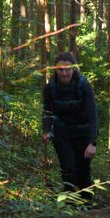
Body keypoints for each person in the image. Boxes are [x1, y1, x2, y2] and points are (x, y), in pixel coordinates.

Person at [42, 51, 98, 200]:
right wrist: (46, 130)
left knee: (83, 171)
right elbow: (47, 112)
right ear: (55, 69)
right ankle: (71, 208)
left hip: (83, 133)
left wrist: (92, 143)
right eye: (61, 69)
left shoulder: (83, 85)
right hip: (62, 133)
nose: (64, 73)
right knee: (67, 170)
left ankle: (87, 206)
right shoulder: (50, 88)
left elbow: (92, 115)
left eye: (68, 69)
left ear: (74, 69)